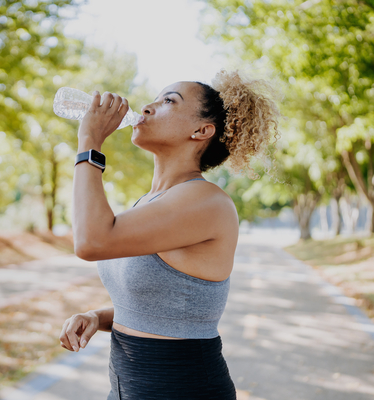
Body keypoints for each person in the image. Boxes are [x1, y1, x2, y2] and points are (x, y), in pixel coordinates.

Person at [58, 70, 280, 399]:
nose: (147, 107)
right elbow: (165, 308)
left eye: (168, 101)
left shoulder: (207, 203)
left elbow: (91, 242)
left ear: (202, 130)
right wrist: (97, 317)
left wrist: (89, 142)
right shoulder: (148, 203)